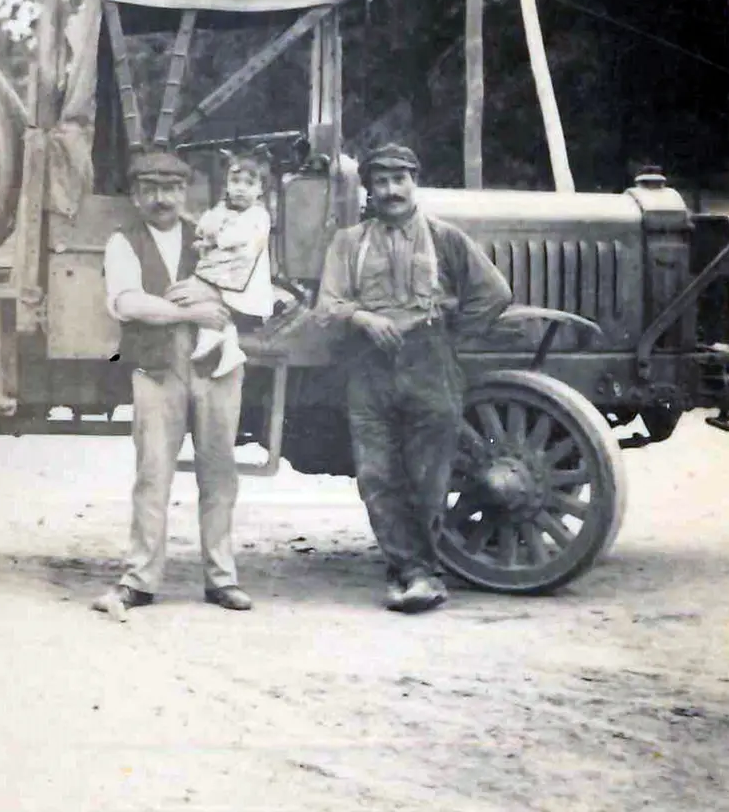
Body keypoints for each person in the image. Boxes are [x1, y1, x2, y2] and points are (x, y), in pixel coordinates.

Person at [316, 143, 511, 614]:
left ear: (414, 182)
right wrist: (364, 318)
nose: (391, 190)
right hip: (369, 363)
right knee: (377, 474)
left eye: (399, 180)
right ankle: (410, 571)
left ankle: (418, 572)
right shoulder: (349, 242)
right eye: (381, 182)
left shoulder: (445, 238)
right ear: (370, 189)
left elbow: (495, 293)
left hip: (429, 362)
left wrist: (446, 333)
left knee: (429, 474)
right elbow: (328, 305)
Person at [92, 149, 254, 619]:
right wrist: (192, 310)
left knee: (220, 472)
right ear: (137, 196)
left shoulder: (214, 235)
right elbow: (129, 303)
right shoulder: (123, 241)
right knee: (153, 473)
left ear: (184, 193)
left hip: (217, 364)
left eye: (170, 189)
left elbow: (243, 288)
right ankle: (140, 580)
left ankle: (222, 579)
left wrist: (212, 300)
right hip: (157, 368)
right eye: (150, 190)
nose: (161, 198)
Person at [183, 146, 276, 378]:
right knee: (195, 292)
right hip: (226, 275)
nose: (241, 189)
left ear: (260, 189)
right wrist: (208, 238)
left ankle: (219, 339)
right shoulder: (223, 209)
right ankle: (227, 346)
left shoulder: (258, 216)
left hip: (244, 283)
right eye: (235, 182)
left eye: (249, 183)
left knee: (194, 293)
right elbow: (204, 226)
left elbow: (231, 238)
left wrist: (213, 238)